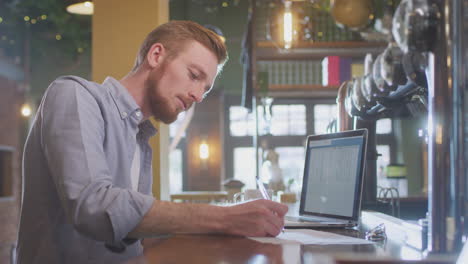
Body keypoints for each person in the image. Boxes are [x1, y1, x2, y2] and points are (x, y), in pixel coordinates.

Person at [17, 20, 288, 264]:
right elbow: (94, 207)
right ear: (156, 55)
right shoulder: (74, 95)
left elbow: (129, 235)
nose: (198, 96)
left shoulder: (141, 137)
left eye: (205, 88)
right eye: (194, 75)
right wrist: (224, 218)